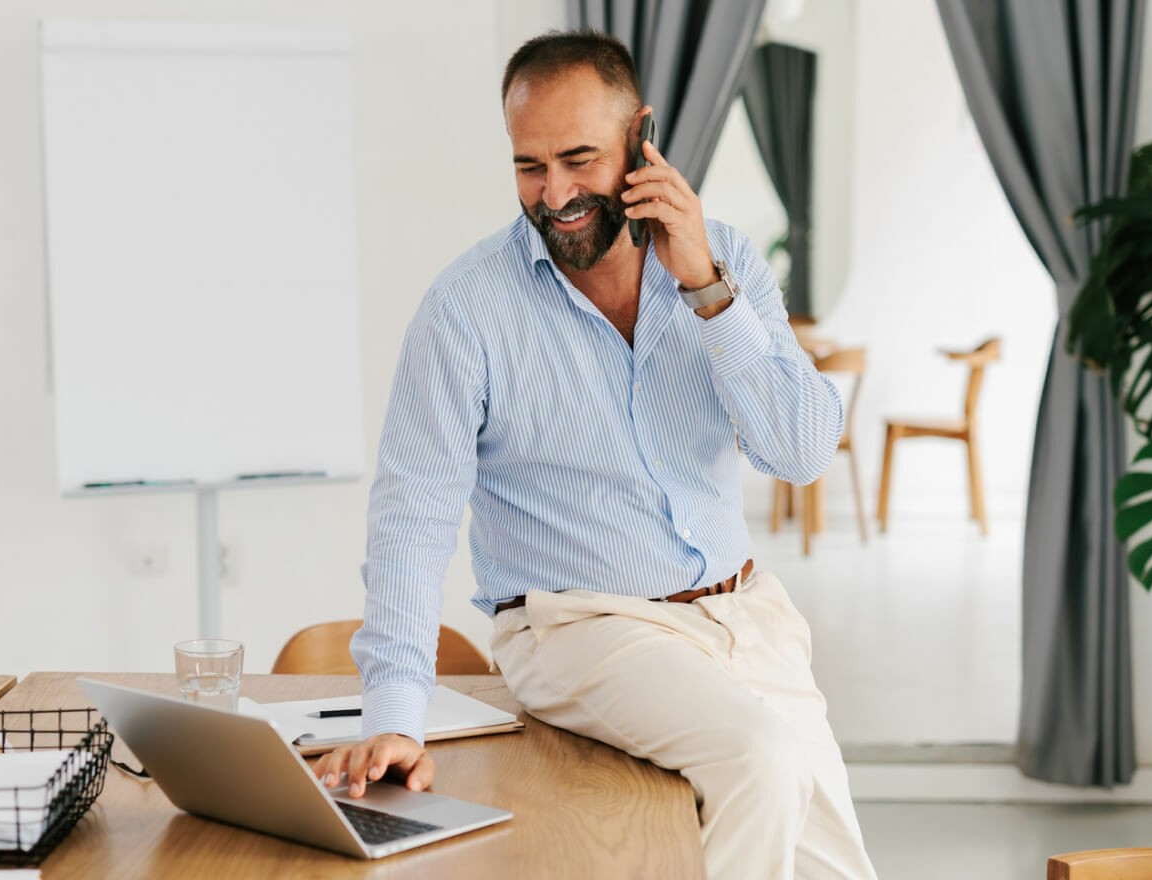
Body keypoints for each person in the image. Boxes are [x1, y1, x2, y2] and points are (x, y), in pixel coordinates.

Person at [312, 30, 878, 879]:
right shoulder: (466, 310)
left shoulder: (727, 262)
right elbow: (413, 515)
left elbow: (799, 454)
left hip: (745, 619)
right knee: (758, 759)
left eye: (579, 158)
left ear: (641, 140)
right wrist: (395, 713)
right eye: (529, 166)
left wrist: (708, 292)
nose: (556, 193)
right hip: (581, 626)